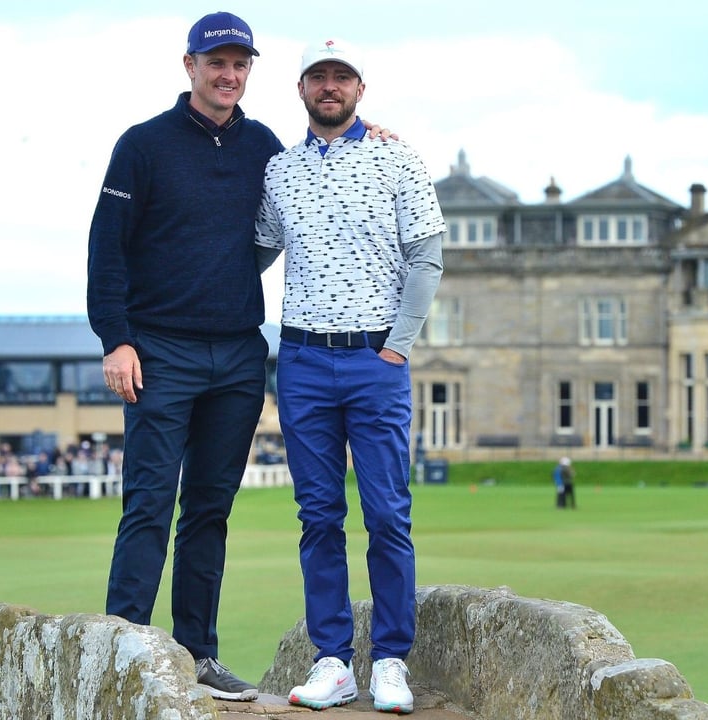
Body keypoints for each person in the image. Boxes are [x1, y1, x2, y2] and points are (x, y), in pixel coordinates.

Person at [86, 11, 280, 702]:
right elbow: (106, 248)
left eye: (239, 63)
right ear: (190, 66)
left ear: (248, 69)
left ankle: (198, 653)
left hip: (236, 354)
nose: (228, 74)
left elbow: (317, 184)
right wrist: (117, 338)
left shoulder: (265, 146)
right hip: (158, 349)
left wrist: (367, 137)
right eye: (215, 62)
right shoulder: (142, 146)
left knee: (209, 509)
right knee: (148, 502)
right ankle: (125, 654)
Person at [255, 37, 445, 714]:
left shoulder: (397, 158)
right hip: (303, 359)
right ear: (302, 89)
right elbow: (255, 250)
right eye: (317, 77)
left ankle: (391, 660)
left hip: (375, 359)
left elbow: (426, 257)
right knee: (318, 517)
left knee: (388, 514)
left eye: (341, 77)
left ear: (359, 89)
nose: (329, 87)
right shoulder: (279, 170)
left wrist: (397, 347)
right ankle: (332, 659)